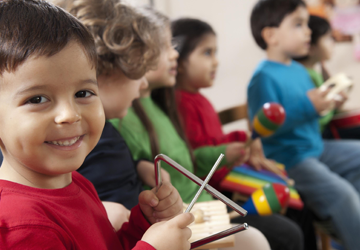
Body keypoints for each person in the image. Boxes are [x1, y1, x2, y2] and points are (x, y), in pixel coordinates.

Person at [0, 1, 192, 249]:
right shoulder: (20, 230)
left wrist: (144, 225)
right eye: (37, 99)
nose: (69, 114)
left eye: (82, 93)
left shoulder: (73, 182)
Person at [112, 8, 303, 250]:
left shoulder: (161, 106)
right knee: (285, 233)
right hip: (191, 213)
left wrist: (234, 146)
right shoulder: (126, 116)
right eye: (165, 47)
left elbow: (189, 163)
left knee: (291, 207)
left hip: (206, 205)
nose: (174, 55)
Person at [172, 17, 318, 250]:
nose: (216, 62)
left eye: (215, 52)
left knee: (297, 199)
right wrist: (235, 147)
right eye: (207, 53)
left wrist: (243, 140)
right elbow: (198, 155)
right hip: (220, 192)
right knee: (289, 224)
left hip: (229, 180)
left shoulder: (199, 99)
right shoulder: (181, 104)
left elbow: (214, 141)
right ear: (177, 61)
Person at [247, 0, 360, 249]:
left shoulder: (299, 70)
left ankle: (339, 223)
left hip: (315, 148)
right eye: (298, 24)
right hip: (289, 160)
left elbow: (311, 114)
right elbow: (264, 129)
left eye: (307, 24)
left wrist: (327, 104)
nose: (308, 31)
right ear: (271, 35)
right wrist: (310, 107)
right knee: (345, 196)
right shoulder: (263, 77)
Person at [294, 15, 360, 216]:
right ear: (310, 47)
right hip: (316, 138)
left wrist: (336, 105)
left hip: (318, 133)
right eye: (328, 38)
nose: (334, 42)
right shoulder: (306, 74)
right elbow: (316, 118)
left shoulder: (316, 70)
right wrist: (333, 105)